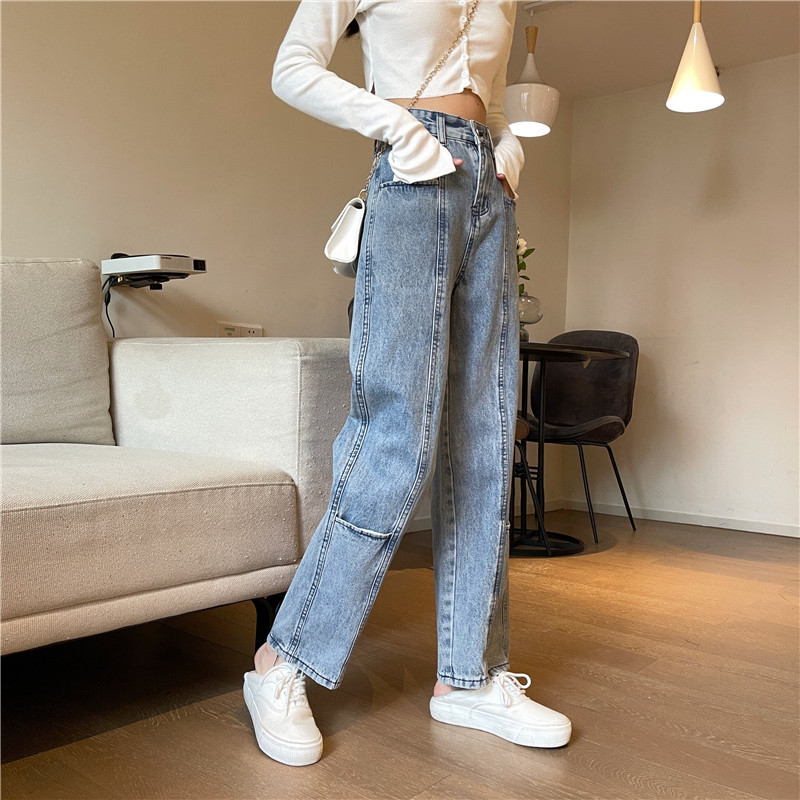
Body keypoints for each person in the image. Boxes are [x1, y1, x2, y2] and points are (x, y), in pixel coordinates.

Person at [243, 0, 572, 767]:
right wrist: (398, 128)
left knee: (486, 435)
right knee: (398, 433)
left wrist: (507, 144)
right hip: (413, 178)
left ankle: (469, 677)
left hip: (488, 188)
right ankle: (281, 661)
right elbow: (292, 69)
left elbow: (486, 96)